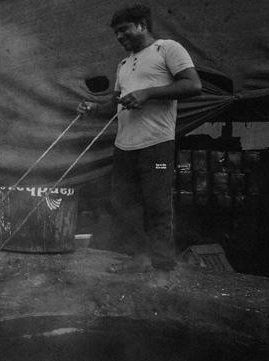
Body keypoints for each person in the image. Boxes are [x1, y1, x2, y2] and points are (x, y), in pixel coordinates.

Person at [78, 4, 202, 272]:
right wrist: (95, 108)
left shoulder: (167, 49)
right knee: (125, 206)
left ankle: (163, 264)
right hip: (125, 146)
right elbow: (115, 103)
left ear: (142, 25)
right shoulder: (123, 65)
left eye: (124, 30)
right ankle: (138, 257)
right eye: (116, 33)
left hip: (156, 144)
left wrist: (147, 93)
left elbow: (193, 85)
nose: (119, 37)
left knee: (157, 203)